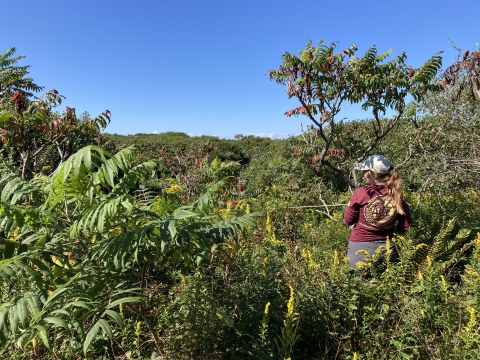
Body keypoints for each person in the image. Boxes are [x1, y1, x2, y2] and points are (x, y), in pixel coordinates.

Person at [344, 154, 412, 268]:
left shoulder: (361, 193)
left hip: (359, 251)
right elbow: (405, 227)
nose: (363, 174)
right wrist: (390, 227)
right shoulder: (397, 194)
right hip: (387, 251)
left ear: (372, 173)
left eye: (365, 171)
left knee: (357, 284)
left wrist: (349, 206)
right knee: (387, 284)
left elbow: (348, 220)